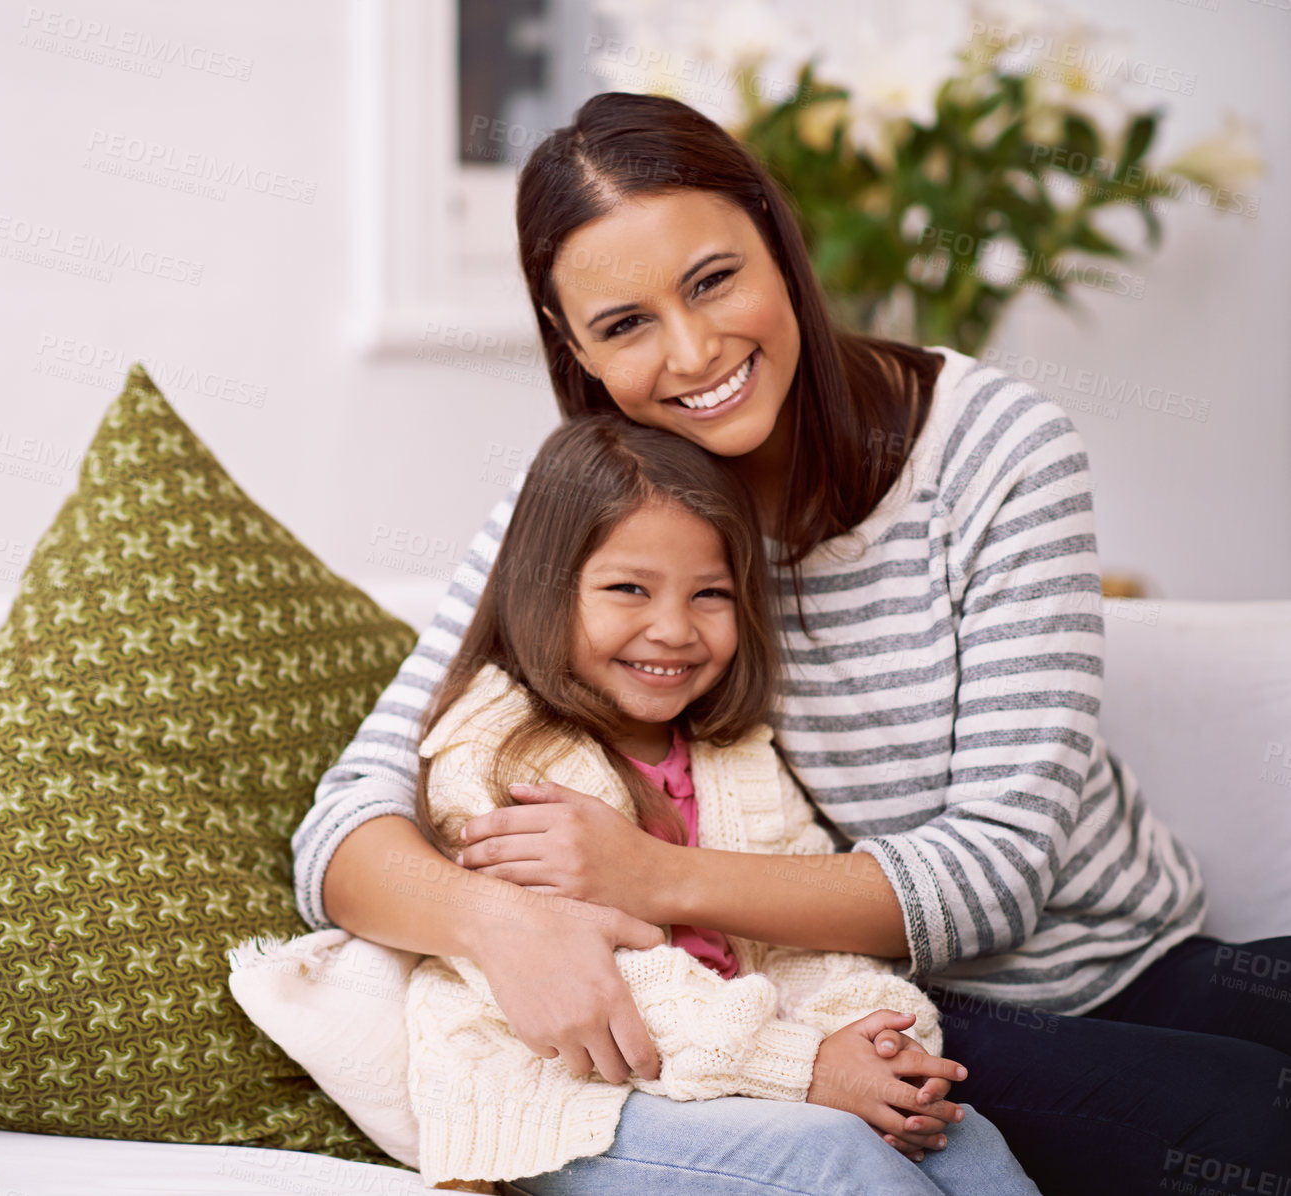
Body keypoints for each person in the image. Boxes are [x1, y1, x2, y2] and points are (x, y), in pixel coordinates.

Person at [293, 92, 1291, 1196]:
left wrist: (651, 874)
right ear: (571, 346)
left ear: (778, 239)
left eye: (712, 278)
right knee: (1256, 1123)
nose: (692, 352)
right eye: (622, 325)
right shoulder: (588, 514)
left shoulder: (996, 449)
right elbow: (342, 825)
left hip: (1134, 950)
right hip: (882, 1003)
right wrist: (499, 922)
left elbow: (995, 876)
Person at [401, 412, 1040, 1194]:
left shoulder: (732, 752)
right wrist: (804, 1067)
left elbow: (800, 928)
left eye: (710, 594)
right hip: (578, 1097)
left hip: (753, 1070)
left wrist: (869, 1038)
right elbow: (604, 990)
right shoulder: (498, 755)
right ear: (544, 588)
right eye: (628, 589)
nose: (672, 629)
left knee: (964, 1142)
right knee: (836, 1163)